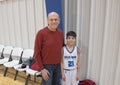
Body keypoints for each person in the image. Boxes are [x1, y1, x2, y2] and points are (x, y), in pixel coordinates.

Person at [33, 12, 64, 85]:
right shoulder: (41, 33)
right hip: (47, 67)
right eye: (51, 19)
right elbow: (36, 53)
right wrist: (42, 69)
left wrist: (73, 49)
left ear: (59, 21)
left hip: (58, 65)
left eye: (56, 19)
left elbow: (62, 46)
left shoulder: (60, 33)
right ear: (47, 20)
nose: (54, 21)